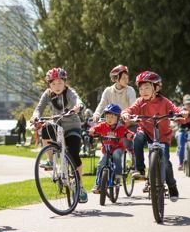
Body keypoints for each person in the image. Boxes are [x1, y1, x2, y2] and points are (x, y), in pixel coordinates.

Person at [121, 71, 188, 201]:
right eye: (140, 88)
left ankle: (172, 185)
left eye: (147, 87)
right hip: (145, 131)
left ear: (156, 88)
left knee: (166, 163)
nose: (143, 91)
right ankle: (140, 169)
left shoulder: (165, 102)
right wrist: (125, 114)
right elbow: (130, 109)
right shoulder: (140, 102)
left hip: (162, 136)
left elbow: (176, 110)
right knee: (137, 138)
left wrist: (183, 113)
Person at [31, 67, 88, 203]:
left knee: (74, 153)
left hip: (72, 126)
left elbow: (78, 101)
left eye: (60, 83)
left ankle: (79, 185)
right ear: (49, 84)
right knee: (45, 128)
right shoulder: (47, 94)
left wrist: (77, 107)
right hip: (57, 124)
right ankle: (50, 160)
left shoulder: (69, 92)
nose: (57, 86)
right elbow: (38, 109)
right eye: (53, 83)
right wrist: (35, 117)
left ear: (65, 82)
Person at [89, 104, 132, 193]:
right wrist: (92, 130)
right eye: (107, 116)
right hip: (106, 150)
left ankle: (117, 175)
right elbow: (94, 128)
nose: (109, 119)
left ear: (118, 118)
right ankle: (98, 183)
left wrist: (129, 135)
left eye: (112, 117)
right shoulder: (102, 125)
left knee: (116, 156)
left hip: (117, 148)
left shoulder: (120, 127)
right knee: (101, 163)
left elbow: (127, 132)